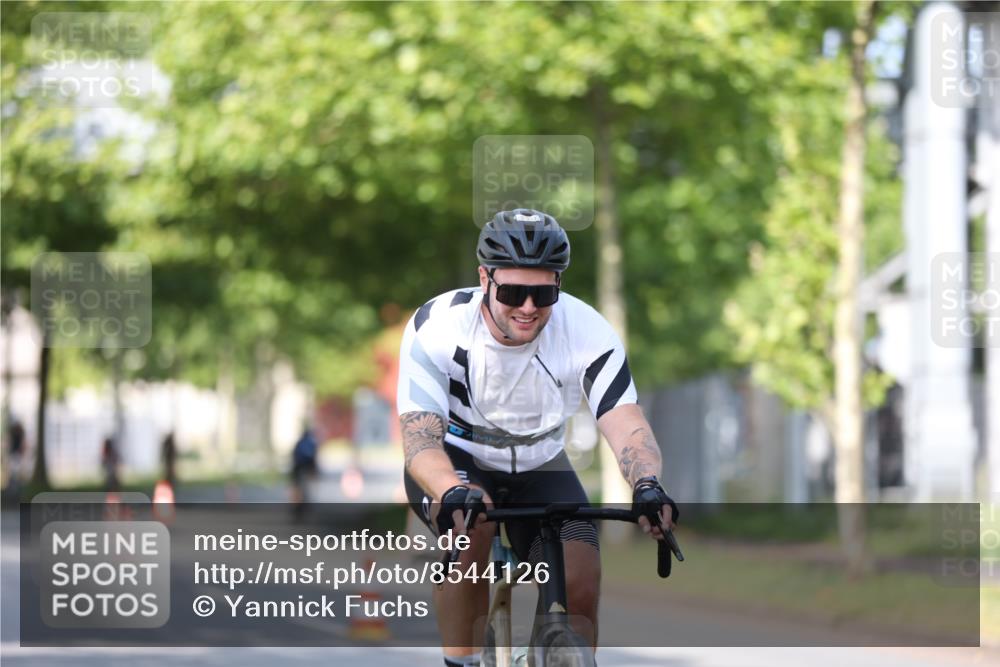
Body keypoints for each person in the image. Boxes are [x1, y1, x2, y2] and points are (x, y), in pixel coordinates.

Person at [398, 209, 678, 667]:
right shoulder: (439, 326)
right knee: (471, 531)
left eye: (543, 293)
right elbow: (420, 440)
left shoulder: (587, 330)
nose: (528, 307)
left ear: (559, 287)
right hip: (459, 456)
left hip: (540, 459)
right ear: (484, 278)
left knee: (581, 572)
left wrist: (647, 484)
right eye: (512, 292)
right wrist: (451, 491)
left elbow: (625, 421)